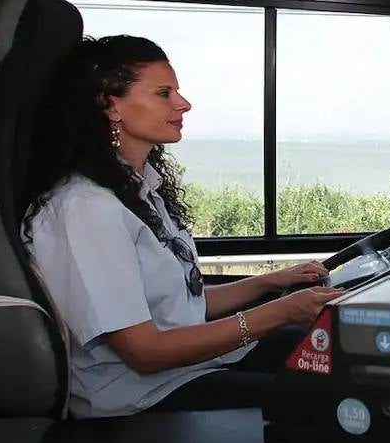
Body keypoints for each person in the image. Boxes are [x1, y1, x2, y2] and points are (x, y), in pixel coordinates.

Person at [23, 35, 342, 418]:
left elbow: (178, 305)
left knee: (338, 356)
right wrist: (280, 313)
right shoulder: (86, 210)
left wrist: (269, 282)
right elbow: (145, 351)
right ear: (111, 105)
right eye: (164, 93)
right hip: (140, 396)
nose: (183, 103)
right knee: (325, 396)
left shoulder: (138, 191)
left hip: (186, 369)